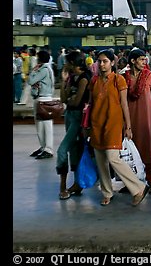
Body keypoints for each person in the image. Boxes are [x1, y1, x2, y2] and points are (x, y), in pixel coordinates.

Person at [86, 49, 148, 207]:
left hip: (113, 124)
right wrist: (86, 125)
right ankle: (107, 192)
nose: (101, 64)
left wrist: (128, 126)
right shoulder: (94, 81)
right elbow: (91, 104)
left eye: (105, 61)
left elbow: (124, 104)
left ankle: (138, 188)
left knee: (113, 158)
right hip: (96, 124)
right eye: (99, 61)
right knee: (101, 161)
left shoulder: (118, 80)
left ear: (112, 63)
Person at [123, 49, 151, 193]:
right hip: (128, 120)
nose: (144, 62)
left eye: (145, 60)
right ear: (132, 61)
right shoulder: (123, 77)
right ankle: (131, 183)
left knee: (148, 148)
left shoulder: (150, 76)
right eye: (141, 59)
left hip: (145, 120)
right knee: (129, 151)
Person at [56, 51, 92, 200]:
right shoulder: (71, 77)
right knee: (74, 149)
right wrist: (64, 82)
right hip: (69, 116)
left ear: (73, 63)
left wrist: (70, 99)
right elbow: (64, 99)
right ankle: (77, 184)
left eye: (67, 62)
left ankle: (63, 186)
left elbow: (77, 102)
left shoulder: (85, 78)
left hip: (78, 117)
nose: (65, 65)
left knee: (62, 150)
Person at [28, 50, 56, 160]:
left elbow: (31, 81)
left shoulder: (43, 69)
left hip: (43, 99)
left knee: (45, 125)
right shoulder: (47, 68)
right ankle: (44, 147)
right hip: (43, 98)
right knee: (41, 125)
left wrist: (33, 72)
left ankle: (48, 149)